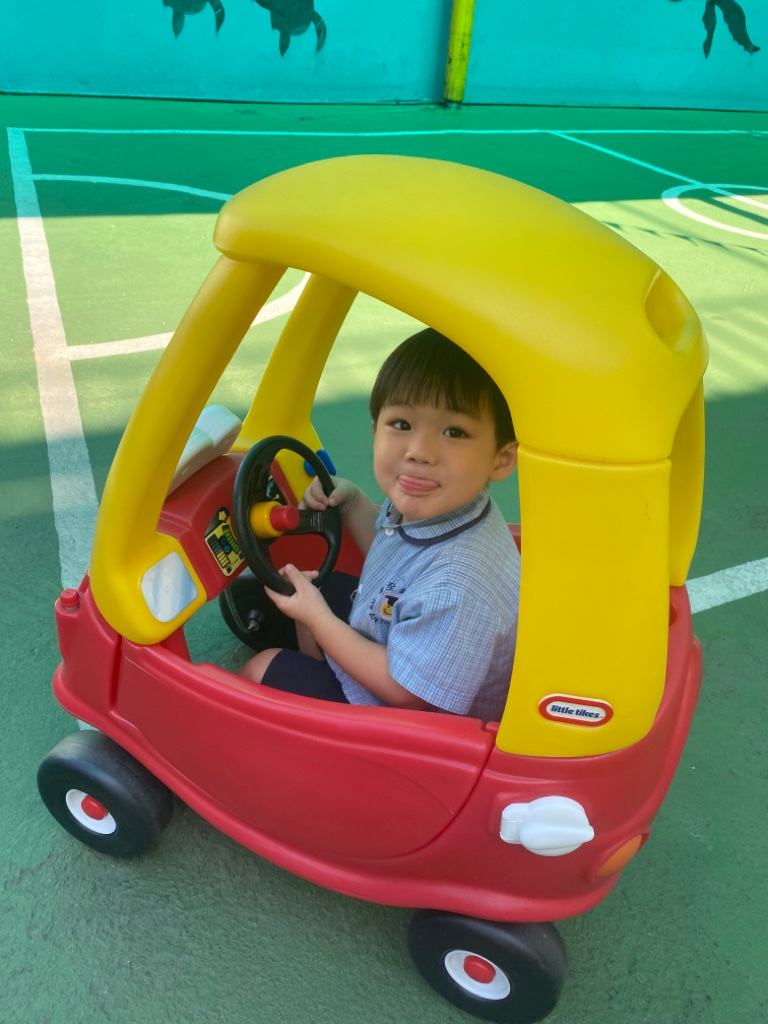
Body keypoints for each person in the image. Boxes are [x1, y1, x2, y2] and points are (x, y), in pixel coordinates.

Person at [240, 327, 521, 721]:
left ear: (501, 459)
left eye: (454, 432)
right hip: (405, 646)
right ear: (375, 429)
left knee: (262, 668)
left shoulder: (458, 586)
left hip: (411, 722)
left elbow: (405, 693)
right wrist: (354, 502)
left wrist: (318, 619)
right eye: (402, 424)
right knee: (324, 588)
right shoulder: (441, 504)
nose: (419, 452)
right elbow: (398, 561)